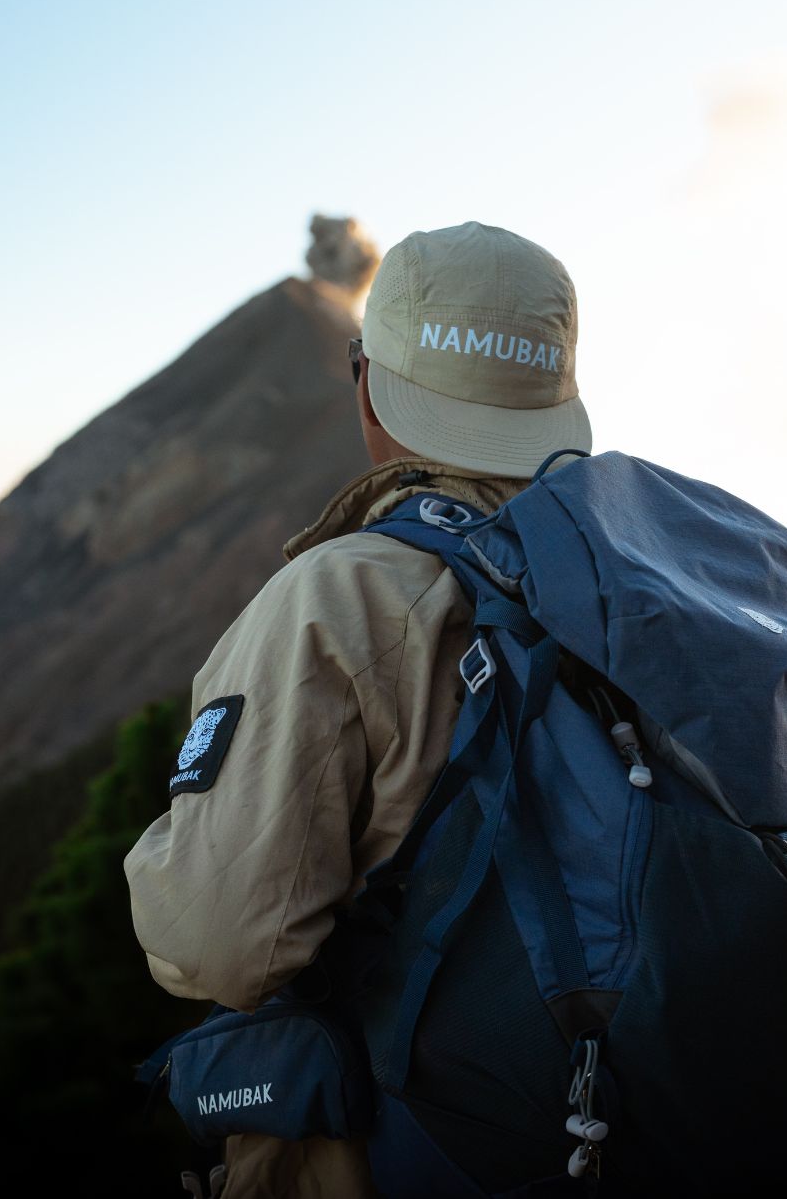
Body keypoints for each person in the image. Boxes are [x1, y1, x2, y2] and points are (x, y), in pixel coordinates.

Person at [124, 221, 593, 1199]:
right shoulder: (636, 581)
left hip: (407, 1156)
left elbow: (220, 945)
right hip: (633, 1135)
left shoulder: (340, 601)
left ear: (370, 386)